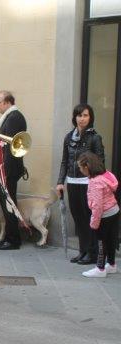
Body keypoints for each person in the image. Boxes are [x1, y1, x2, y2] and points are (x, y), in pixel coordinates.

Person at [56, 104, 105, 265]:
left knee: (89, 218)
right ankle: (83, 250)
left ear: (90, 118)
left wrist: (93, 180)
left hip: (88, 183)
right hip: (72, 182)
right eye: (79, 115)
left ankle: (92, 253)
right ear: (74, 117)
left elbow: (100, 162)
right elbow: (64, 161)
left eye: (85, 115)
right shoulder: (69, 137)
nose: (82, 119)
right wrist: (60, 182)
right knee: (78, 218)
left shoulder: (95, 138)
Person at [0, 90, 26, 250]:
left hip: (8, 169)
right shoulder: (10, 116)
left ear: (7, 102)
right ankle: (9, 237)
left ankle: (13, 240)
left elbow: (10, 148)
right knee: (7, 204)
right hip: (6, 168)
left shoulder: (14, 117)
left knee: (9, 204)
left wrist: (3, 170)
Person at [77, 152, 119, 277]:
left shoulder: (95, 182)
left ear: (86, 167)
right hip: (114, 211)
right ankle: (111, 265)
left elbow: (97, 206)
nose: (80, 170)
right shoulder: (106, 174)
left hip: (104, 215)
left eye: (80, 167)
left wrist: (94, 223)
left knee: (101, 242)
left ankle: (100, 269)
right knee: (111, 240)